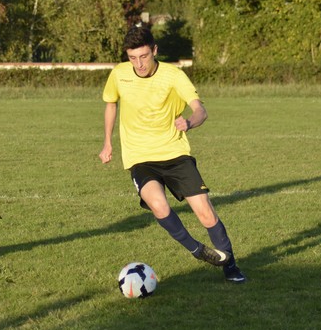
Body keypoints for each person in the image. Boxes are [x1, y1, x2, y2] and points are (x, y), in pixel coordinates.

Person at [98, 26, 245, 283]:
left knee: (205, 212)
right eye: (132, 58)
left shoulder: (173, 76)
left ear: (154, 50)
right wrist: (107, 142)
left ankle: (230, 266)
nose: (139, 64)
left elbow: (200, 110)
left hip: (175, 154)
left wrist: (189, 123)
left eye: (144, 56)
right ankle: (197, 249)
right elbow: (111, 103)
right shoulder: (119, 74)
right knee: (158, 204)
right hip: (140, 158)